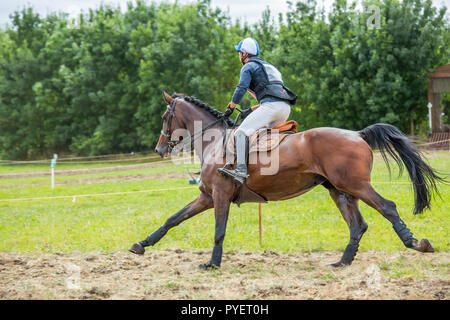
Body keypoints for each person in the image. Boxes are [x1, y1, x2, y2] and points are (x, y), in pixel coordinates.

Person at [218, 37, 297, 184]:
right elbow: (271, 95)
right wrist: (249, 110)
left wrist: (231, 107)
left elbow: (240, 89)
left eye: (239, 53)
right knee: (263, 137)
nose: (239, 56)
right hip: (284, 108)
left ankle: (241, 171)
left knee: (241, 133)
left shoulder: (248, 67)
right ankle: (267, 171)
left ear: (244, 54)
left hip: (271, 107)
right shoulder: (270, 67)